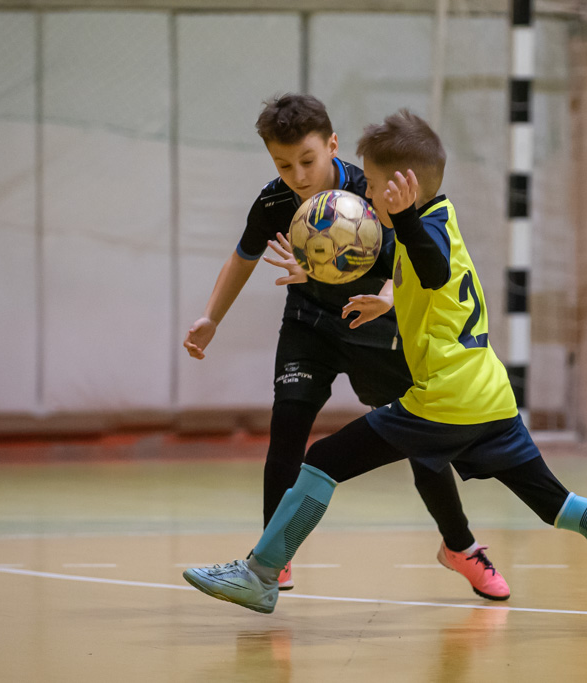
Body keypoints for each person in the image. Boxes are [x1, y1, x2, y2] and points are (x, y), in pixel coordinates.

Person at [182, 110, 587, 631]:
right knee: (559, 504)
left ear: (403, 192)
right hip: (491, 397)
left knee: (322, 462)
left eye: (375, 189)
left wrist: (403, 220)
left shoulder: (421, 232)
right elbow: (410, 270)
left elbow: (431, 267)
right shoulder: (442, 217)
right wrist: (358, 281)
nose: (366, 197)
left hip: (444, 399)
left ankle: (262, 574)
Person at [182, 94, 508, 599]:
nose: (297, 175)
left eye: (307, 160)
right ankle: (273, 560)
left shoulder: (371, 192)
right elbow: (243, 257)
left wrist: (385, 297)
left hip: (371, 324)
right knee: (287, 430)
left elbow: (411, 260)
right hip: (308, 325)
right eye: (283, 164)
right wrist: (211, 317)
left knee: (419, 439)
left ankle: (460, 547)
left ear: (332, 145)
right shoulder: (274, 202)